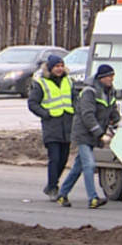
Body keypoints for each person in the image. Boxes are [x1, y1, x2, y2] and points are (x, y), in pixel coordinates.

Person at [58, 64, 121, 209]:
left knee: (78, 167)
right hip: (83, 134)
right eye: (109, 76)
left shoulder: (110, 92)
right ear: (101, 78)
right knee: (89, 165)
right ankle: (93, 198)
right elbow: (87, 116)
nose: (112, 79)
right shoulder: (89, 92)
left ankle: (62, 194)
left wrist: (120, 124)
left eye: (113, 76)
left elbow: (112, 112)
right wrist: (101, 134)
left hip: (93, 135)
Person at [27, 54, 75, 201]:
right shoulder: (41, 83)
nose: (59, 69)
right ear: (50, 68)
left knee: (64, 159)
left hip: (67, 125)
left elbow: (75, 99)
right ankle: (53, 187)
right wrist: (45, 114)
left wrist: (77, 110)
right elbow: (33, 103)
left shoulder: (69, 81)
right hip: (51, 125)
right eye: (56, 66)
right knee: (54, 159)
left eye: (61, 66)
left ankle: (50, 185)